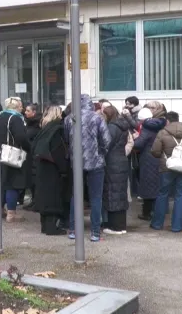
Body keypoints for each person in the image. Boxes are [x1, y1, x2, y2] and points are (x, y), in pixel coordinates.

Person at [65, 94, 109, 239]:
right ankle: (95, 232)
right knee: (96, 197)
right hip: (95, 161)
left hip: (76, 161)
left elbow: (67, 139)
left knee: (76, 195)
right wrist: (100, 153)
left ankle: (73, 230)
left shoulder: (70, 118)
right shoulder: (97, 118)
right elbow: (106, 140)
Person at [150, 112, 182, 232]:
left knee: (162, 194)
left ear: (167, 121)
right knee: (180, 196)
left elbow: (155, 151)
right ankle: (177, 226)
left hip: (166, 168)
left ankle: (157, 224)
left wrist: (164, 157)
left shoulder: (162, 132)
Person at [32, 106, 69, 235]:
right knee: (53, 198)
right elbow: (58, 152)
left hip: (41, 166)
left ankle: (45, 226)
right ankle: (51, 227)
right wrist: (64, 169)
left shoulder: (44, 129)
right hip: (52, 168)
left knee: (44, 197)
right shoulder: (57, 130)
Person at [0, 97, 31, 223]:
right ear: (16, 106)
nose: (22, 108)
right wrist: (29, 148)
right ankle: (11, 213)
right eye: (21, 105)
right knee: (13, 184)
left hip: (0, 153)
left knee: (2, 183)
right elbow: (21, 137)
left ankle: (0, 209)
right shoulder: (15, 118)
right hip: (12, 154)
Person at [133, 102, 166, 221]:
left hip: (148, 157)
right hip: (159, 156)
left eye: (152, 107)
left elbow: (139, 144)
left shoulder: (147, 126)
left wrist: (135, 138)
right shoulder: (161, 123)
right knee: (157, 185)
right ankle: (159, 211)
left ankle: (147, 213)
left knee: (148, 185)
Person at [101, 105, 131, 235]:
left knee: (112, 193)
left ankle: (115, 227)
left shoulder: (112, 127)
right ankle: (121, 225)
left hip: (112, 163)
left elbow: (106, 144)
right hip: (121, 161)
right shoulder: (122, 126)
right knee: (120, 194)